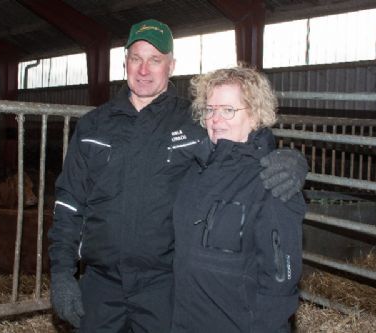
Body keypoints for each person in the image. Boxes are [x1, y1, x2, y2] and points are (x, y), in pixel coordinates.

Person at [48, 18, 308, 333]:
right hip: (102, 283)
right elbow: (69, 203)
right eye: (136, 59)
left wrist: (287, 158)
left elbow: (239, 139)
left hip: (165, 287)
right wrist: (62, 273)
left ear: (171, 65)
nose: (144, 69)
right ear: (125, 63)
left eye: (155, 60)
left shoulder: (193, 121)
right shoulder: (93, 126)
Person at [171, 66, 305, 333]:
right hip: (186, 321)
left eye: (228, 110)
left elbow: (280, 281)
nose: (216, 119)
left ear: (255, 116)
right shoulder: (193, 173)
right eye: (210, 109)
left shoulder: (272, 181)